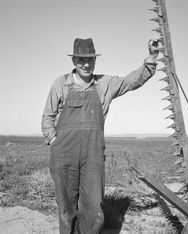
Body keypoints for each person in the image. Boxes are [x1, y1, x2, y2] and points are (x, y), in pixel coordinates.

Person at [41, 38, 159, 234]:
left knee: (94, 210)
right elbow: (47, 118)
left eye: (90, 60)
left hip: (93, 157)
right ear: (73, 61)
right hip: (63, 156)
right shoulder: (60, 84)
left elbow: (132, 81)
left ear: (95, 60)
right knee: (66, 209)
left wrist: (152, 57)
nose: (86, 65)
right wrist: (55, 141)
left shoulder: (104, 84)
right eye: (81, 60)